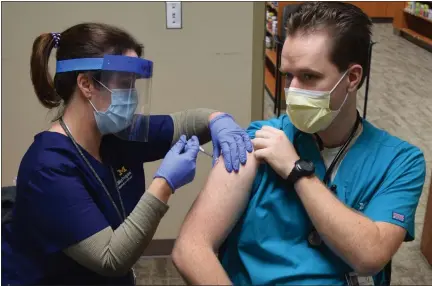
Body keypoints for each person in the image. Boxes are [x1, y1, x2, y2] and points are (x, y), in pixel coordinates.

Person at [172, 2, 426, 285]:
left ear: (352, 78)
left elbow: (370, 256)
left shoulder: (401, 161)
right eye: (288, 76)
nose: (292, 91)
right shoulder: (260, 139)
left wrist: (297, 172)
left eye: (309, 77)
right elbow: (191, 248)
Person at [1, 22, 253, 285]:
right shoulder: (48, 166)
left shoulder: (117, 134)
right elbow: (111, 258)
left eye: (134, 84)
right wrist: (165, 183)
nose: (131, 96)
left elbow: (187, 122)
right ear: (86, 84)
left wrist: (219, 121)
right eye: (124, 83)